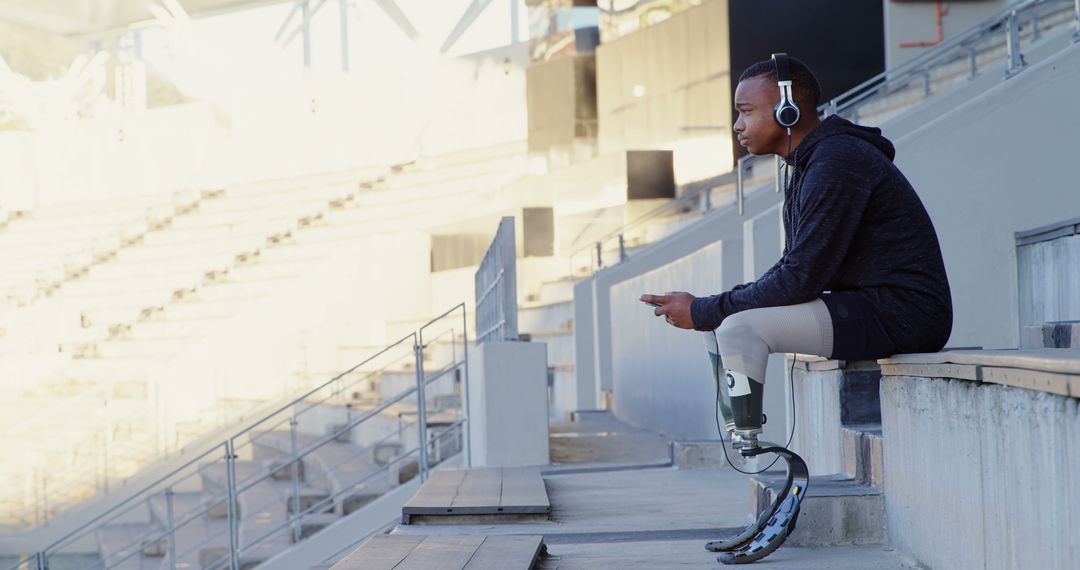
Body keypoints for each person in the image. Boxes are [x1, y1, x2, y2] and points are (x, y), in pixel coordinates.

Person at [640, 54, 953, 449]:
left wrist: (704, 307)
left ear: (788, 109)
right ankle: (744, 441)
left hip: (905, 314)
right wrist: (708, 310)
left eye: (746, 112)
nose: (737, 125)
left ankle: (749, 447)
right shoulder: (813, 162)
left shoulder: (837, 162)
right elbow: (795, 270)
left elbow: (800, 279)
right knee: (723, 326)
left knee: (738, 326)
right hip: (870, 306)